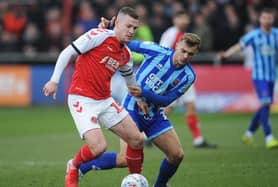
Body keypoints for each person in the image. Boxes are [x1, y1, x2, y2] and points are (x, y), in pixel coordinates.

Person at [79, 17, 201, 186]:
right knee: (123, 159)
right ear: (177, 45)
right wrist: (110, 29)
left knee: (176, 155)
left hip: (154, 114)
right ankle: (82, 166)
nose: (185, 56)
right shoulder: (157, 51)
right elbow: (129, 43)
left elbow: (166, 101)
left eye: (191, 54)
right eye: (184, 51)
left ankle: (160, 185)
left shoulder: (188, 76)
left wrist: (144, 92)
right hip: (131, 108)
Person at [43, 7, 147, 187]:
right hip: (81, 98)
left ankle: (135, 181)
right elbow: (68, 52)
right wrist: (54, 81)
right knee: (98, 148)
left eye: (134, 28)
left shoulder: (126, 54)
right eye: (128, 26)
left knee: (137, 140)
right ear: (116, 21)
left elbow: (130, 79)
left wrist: (139, 99)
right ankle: (74, 165)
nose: (131, 32)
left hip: (105, 100)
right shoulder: (98, 35)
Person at [218, 8, 278, 149]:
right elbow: (240, 46)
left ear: (272, 20)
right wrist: (227, 54)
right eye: (264, 17)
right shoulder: (254, 35)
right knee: (265, 103)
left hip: (271, 76)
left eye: (269, 18)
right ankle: (269, 137)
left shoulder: (277, 34)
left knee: (265, 105)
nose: (266, 20)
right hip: (259, 76)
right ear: (260, 20)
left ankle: (249, 134)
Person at [160, 10, 217, 148]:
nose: (184, 21)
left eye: (185, 18)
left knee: (190, 105)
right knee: (168, 107)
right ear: (175, 20)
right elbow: (162, 53)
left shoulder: (188, 36)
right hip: (173, 77)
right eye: (181, 18)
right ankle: (145, 135)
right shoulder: (170, 34)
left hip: (185, 76)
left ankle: (198, 139)